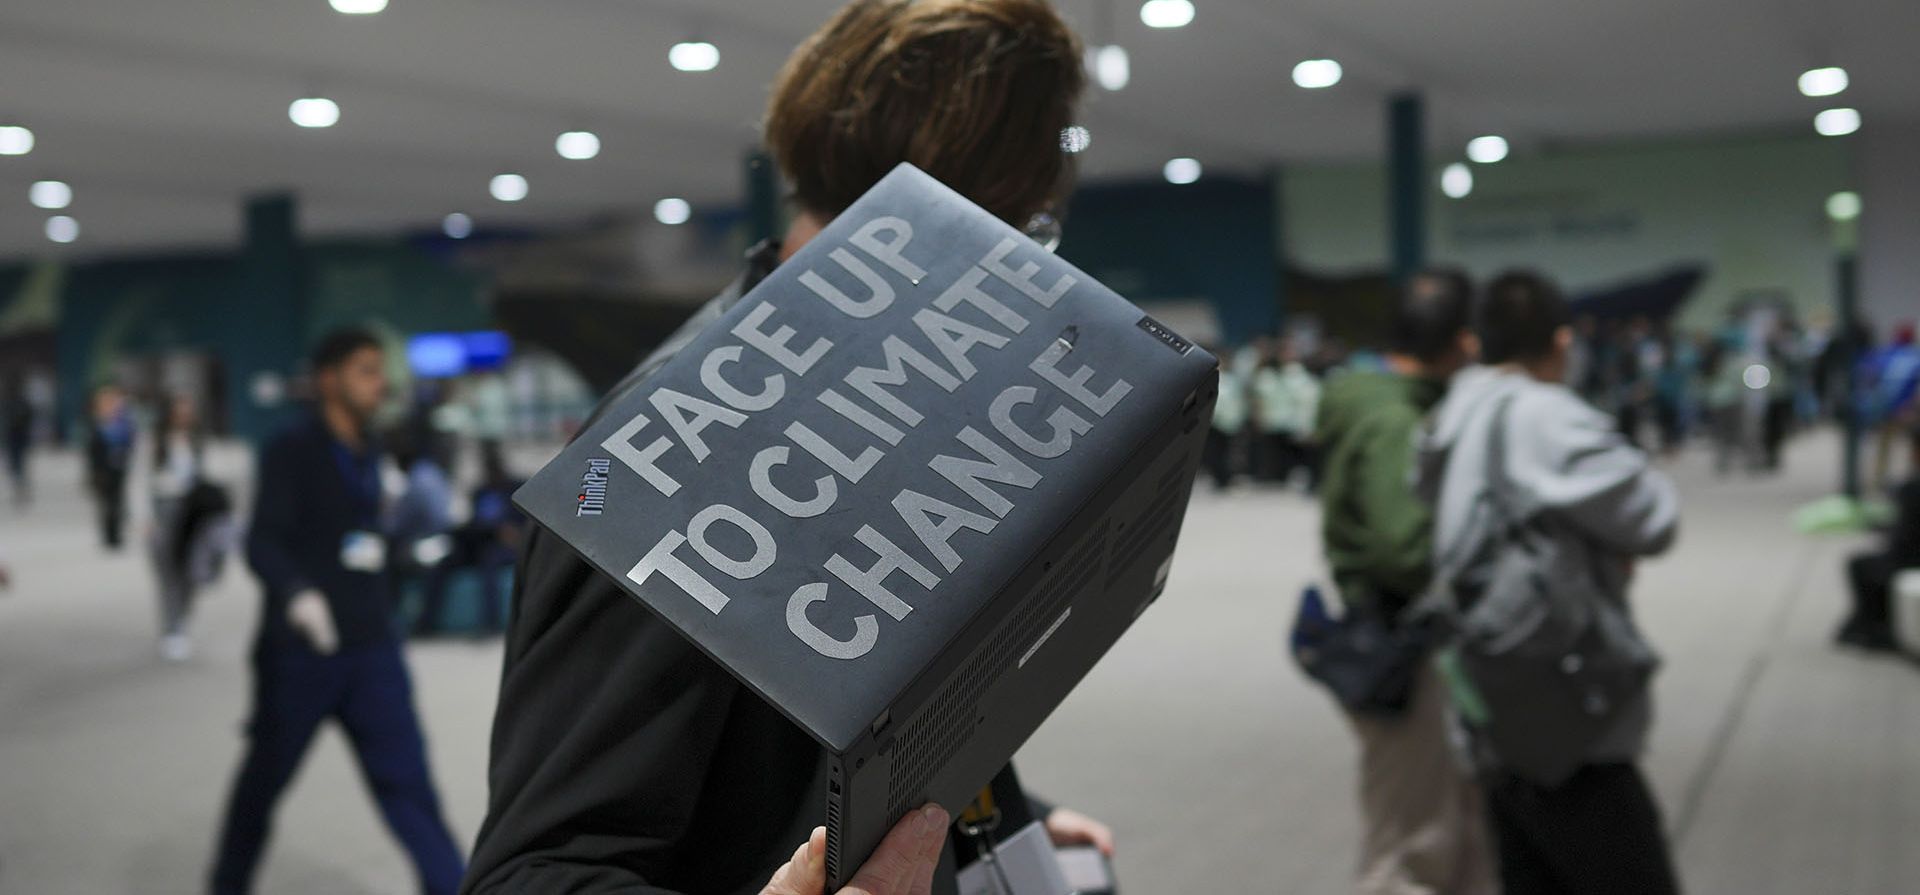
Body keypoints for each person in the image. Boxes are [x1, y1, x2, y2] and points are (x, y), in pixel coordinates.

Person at [460, 3, 1115, 893]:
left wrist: (992, 820)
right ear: (962, 222)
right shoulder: (662, 447)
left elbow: (845, 726)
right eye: (1026, 236)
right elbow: (534, 870)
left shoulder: (894, 411)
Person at [1421, 271, 1682, 895]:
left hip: (1492, 695)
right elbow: (1654, 519)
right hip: (1567, 714)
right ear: (1562, 341)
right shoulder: (1546, 416)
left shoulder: (1456, 412)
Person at [209, 328, 465, 895]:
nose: (382, 384)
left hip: (373, 647)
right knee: (260, 790)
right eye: (366, 371)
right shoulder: (291, 449)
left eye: (381, 371)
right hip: (302, 656)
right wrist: (298, 593)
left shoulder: (372, 448)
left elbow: (364, 533)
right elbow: (263, 542)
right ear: (329, 379)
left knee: (410, 789)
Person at [1313, 268, 1495, 895]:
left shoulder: (1369, 399)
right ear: (1463, 342)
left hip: (1383, 629)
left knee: (1445, 824)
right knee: (1413, 845)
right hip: (1402, 637)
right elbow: (1402, 546)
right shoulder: (1395, 421)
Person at [147, 394, 235, 661]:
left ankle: (181, 621)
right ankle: (172, 628)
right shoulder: (154, 440)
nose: (184, 414)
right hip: (164, 511)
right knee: (168, 574)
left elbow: (218, 472)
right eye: (179, 409)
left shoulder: (201, 441)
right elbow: (140, 479)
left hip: (194, 513)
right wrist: (144, 518)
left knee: (193, 571)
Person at [415, 440, 522, 637]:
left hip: (504, 548)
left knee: (488, 565)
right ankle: (425, 623)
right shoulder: (480, 492)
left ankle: (490, 623)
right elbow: (474, 523)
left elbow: (522, 527)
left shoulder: (517, 488)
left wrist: (511, 533)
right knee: (442, 565)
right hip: (478, 543)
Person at [1835, 428, 1920, 651]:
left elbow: (1903, 537)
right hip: (1907, 557)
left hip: (1908, 560)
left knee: (1862, 566)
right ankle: (1870, 624)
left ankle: (1875, 628)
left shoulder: (1911, 488)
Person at [1251, 344, 1322, 491]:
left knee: (1302, 453)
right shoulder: (1275, 375)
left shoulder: (1301, 377)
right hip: (1285, 420)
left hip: (1298, 420)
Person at [86, 383, 136, 549]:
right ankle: (108, 534)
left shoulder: (123, 423)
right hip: (102, 469)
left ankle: (116, 533)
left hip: (119, 467)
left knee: (118, 501)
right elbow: (92, 450)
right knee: (106, 503)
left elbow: (130, 441)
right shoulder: (97, 423)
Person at [2, 374, 33, 507]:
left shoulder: (15, 401)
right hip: (15, 436)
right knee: (17, 464)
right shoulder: (13, 401)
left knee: (18, 463)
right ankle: (20, 487)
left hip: (17, 436)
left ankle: (20, 487)